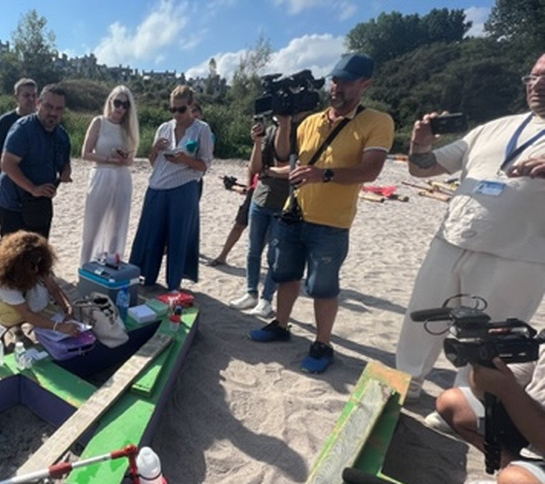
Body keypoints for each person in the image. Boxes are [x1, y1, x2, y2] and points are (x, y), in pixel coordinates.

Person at [396, 53, 545, 398]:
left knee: (488, 338)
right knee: (422, 320)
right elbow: (423, 169)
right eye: (532, 77)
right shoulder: (495, 127)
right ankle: (405, 384)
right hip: (452, 240)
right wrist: (421, 143)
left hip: (516, 257)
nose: (536, 85)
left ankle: (464, 404)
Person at [248, 53, 394, 374]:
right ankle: (281, 325)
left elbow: (370, 171)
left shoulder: (377, 121)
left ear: (365, 84)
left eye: (345, 81)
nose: (336, 87)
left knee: (323, 287)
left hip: (331, 223)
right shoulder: (311, 121)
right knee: (284, 275)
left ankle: (322, 343)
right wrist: (285, 123)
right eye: (334, 79)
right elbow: (289, 157)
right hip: (293, 214)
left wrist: (323, 174)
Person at [427, 355, 545, 484]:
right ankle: (520, 479)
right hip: (534, 427)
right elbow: (488, 390)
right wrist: (485, 361)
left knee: (515, 483)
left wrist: (507, 389)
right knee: (453, 403)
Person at [129, 85, 214, 292]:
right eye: (172, 110)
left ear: (191, 106)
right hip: (157, 186)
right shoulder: (164, 128)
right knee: (151, 235)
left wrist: (184, 159)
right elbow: (153, 162)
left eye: (181, 110)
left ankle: (174, 283)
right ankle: (148, 278)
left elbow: (205, 165)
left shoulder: (201, 129)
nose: (177, 114)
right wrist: (155, 149)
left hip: (184, 187)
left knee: (179, 236)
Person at [229, 114, 301, 317]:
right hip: (260, 199)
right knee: (253, 251)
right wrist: (258, 142)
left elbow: (296, 169)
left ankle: (266, 299)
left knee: (274, 256)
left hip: (284, 203)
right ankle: (251, 292)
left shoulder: (301, 132)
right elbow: (255, 169)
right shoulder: (269, 131)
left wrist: (271, 172)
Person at [0, 84, 72, 240]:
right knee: (11, 256)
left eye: (58, 109)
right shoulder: (23, 129)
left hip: (41, 204)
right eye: (48, 106)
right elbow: (7, 164)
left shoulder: (62, 136)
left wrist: (66, 171)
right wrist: (33, 188)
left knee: (38, 252)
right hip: (13, 203)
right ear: (38, 104)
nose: (53, 112)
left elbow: (64, 162)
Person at [0, 230, 79, 336]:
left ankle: (15, 326)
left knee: (44, 306)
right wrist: (58, 327)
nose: (36, 269)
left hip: (12, 303)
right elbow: (26, 312)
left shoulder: (36, 264)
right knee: (16, 311)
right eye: (32, 266)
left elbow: (53, 287)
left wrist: (67, 307)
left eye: (38, 264)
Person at [79, 86, 139, 265]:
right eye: (118, 103)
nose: (120, 108)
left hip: (121, 177)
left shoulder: (128, 128)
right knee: (93, 224)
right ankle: (87, 264)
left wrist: (124, 157)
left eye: (125, 104)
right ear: (110, 102)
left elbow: (130, 161)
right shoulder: (99, 122)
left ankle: (112, 263)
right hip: (101, 174)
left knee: (118, 226)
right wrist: (109, 159)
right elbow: (85, 153)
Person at [0, 78, 37, 194]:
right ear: (16, 97)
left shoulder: (41, 122)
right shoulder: (5, 121)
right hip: (9, 184)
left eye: (34, 95)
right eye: (26, 95)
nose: (31, 99)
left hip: (35, 184)